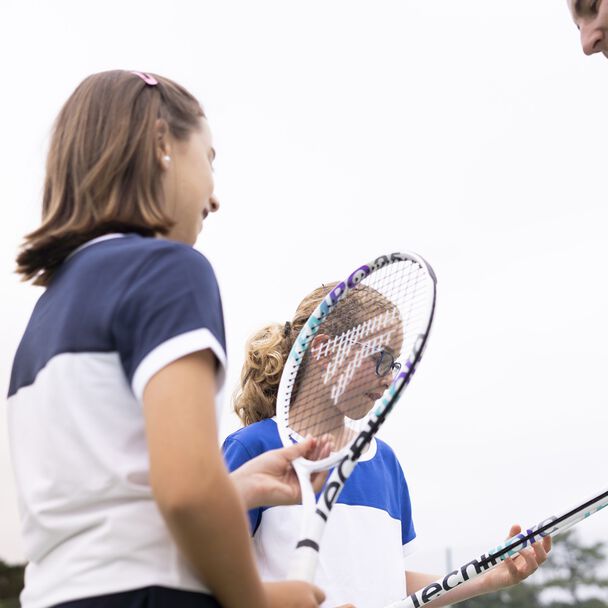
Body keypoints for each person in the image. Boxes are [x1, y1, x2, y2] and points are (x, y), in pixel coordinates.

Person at [7, 69, 326, 608]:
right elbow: (186, 493)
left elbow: (106, 499)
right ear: (161, 144)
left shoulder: (47, 311)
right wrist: (262, 600)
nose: (214, 197)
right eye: (210, 160)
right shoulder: (172, 270)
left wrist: (236, 488)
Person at [223, 283, 552, 608]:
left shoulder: (384, 461)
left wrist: (491, 577)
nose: (389, 377)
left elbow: (392, 582)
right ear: (324, 350)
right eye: (380, 358)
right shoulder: (253, 449)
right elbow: (211, 579)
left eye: (395, 364)